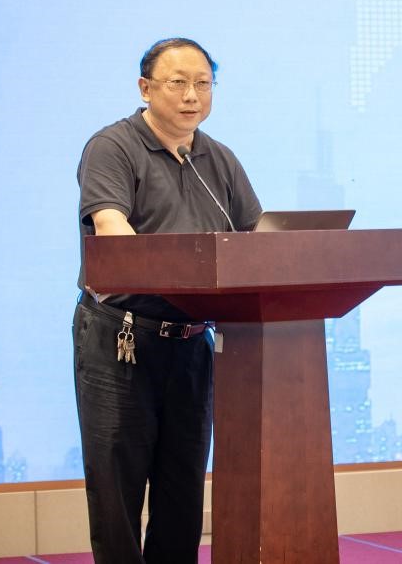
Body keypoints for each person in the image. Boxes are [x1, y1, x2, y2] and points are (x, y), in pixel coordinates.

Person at [73, 37, 262, 563]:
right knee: (118, 487)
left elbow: (258, 241)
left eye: (203, 84)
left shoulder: (218, 159)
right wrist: (177, 273)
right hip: (122, 339)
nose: (191, 96)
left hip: (191, 344)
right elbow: (111, 228)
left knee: (182, 487)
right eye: (178, 83)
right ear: (145, 88)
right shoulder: (112, 147)